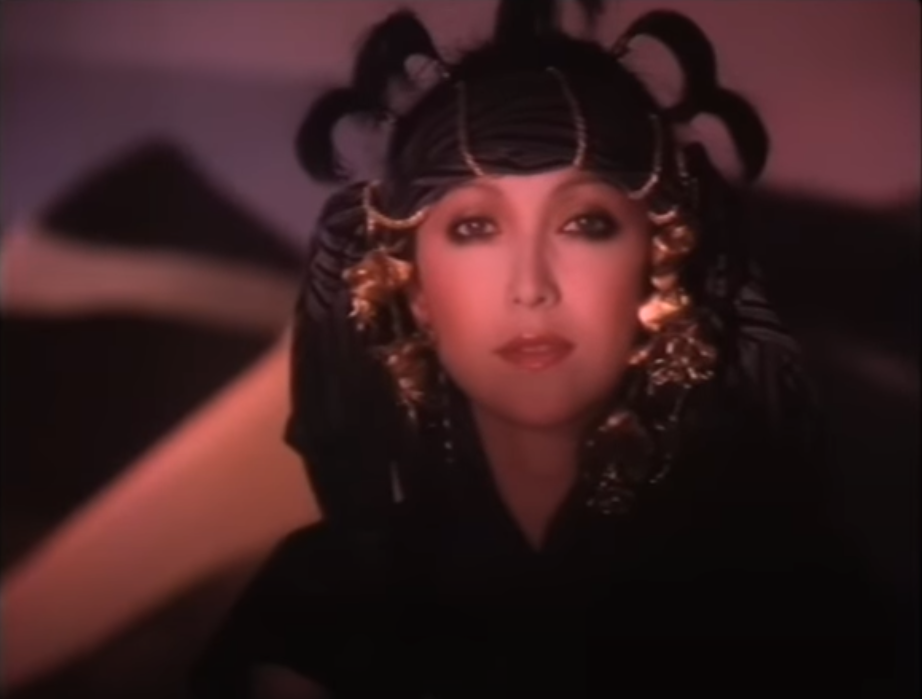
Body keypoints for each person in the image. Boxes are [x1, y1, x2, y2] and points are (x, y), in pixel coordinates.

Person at [192, 2, 896, 697]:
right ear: (415, 287)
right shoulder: (319, 615)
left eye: (586, 223)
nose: (531, 287)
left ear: (660, 263)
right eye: (474, 228)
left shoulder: (788, 610)